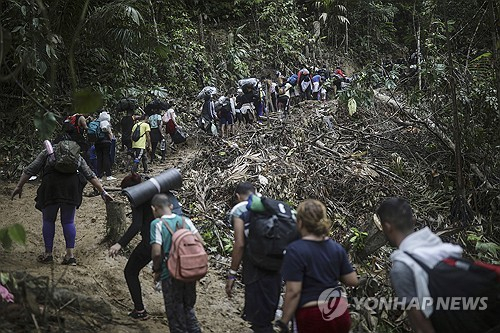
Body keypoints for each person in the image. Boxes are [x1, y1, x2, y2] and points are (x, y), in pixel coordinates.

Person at [11, 136, 112, 265]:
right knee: (68, 222)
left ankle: (48, 254)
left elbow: (31, 169)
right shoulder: (75, 155)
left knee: (48, 220)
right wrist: (103, 192)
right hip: (71, 188)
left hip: (51, 187)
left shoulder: (48, 152)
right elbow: (89, 174)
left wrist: (19, 186)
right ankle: (70, 256)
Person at [109, 174, 194, 320]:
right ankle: (185, 313)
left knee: (130, 271)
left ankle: (140, 310)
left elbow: (136, 225)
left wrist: (120, 244)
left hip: (152, 242)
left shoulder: (137, 197)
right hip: (173, 241)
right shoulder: (156, 193)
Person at [276, 199, 359, 333]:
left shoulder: (295, 250)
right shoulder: (336, 248)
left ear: (300, 222)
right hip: (339, 312)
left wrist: (284, 322)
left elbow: (293, 292)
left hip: (312, 315)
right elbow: (352, 281)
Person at [225, 182, 282, 333]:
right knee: (268, 316)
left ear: (237, 196)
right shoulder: (271, 205)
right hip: (277, 267)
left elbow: (240, 244)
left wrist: (232, 274)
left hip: (256, 270)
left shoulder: (240, 210)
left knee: (259, 322)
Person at [150, 194, 203, 333]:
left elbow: (156, 253)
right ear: (171, 206)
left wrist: (157, 270)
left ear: (154, 209)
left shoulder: (157, 224)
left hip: (170, 273)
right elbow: (201, 242)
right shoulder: (185, 221)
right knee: (188, 308)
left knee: (175, 313)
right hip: (189, 271)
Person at [94, 111, 116, 181]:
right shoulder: (106, 123)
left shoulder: (97, 122)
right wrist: (112, 139)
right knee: (106, 158)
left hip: (97, 142)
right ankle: (108, 175)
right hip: (105, 142)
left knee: (99, 158)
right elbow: (109, 132)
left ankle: (99, 176)